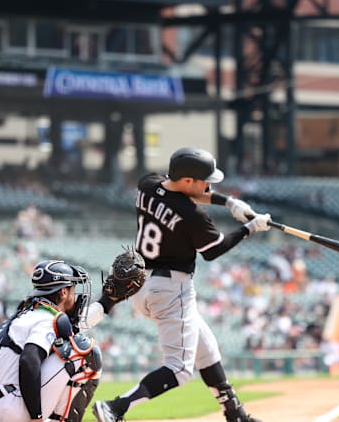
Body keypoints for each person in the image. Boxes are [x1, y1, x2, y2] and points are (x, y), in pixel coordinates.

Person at [93, 147, 271, 422]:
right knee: (179, 370)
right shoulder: (192, 215)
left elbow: (181, 193)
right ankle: (117, 407)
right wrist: (249, 228)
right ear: (188, 180)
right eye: (205, 180)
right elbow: (213, 250)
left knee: (207, 349)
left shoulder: (148, 183)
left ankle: (235, 414)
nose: (209, 186)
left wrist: (229, 202)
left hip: (140, 284)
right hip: (171, 288)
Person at [0, 252, 144, 422]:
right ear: (62, 292)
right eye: (72, 289)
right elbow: (29, 360)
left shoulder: (27, 315)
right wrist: (36, 416)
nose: (75, 295)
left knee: (62, 348)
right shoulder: (47, 319)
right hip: (9, 410)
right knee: (85, 351)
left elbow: (76, 325)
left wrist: (109, 300)